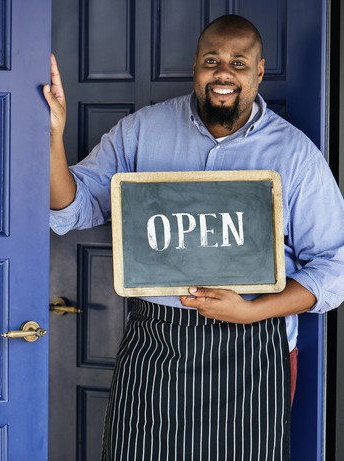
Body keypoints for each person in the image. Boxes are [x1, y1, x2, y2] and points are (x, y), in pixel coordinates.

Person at [43, 14, 344, 461]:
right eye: (212, 60)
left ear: (259, 72)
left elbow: (334, 269)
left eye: (239, 63)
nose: (224, 72)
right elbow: (72, 209)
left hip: (253, 349)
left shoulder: (295, 154)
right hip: (157, 346)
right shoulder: (142, 131)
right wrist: (52, 137)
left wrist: (251, 311)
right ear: (195, 66)